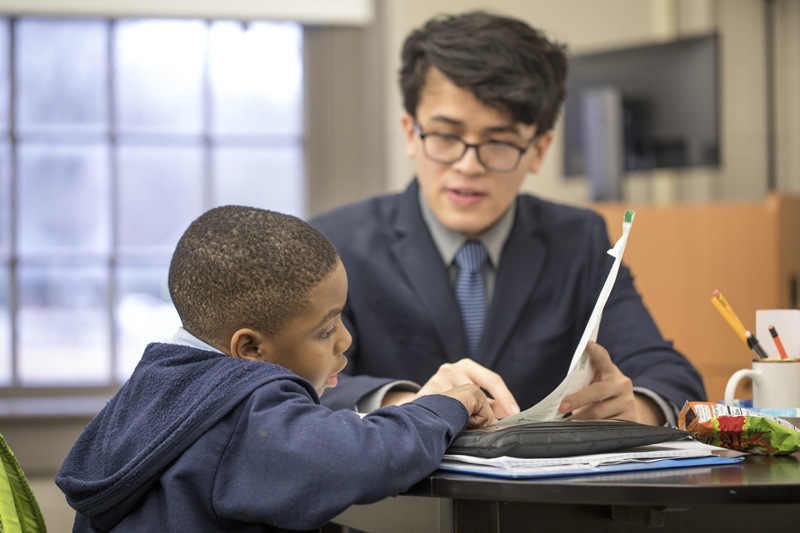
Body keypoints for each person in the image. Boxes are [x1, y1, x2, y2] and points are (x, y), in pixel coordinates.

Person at [310, 11, 706, 427]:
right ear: (411, 132)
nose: (468, 165)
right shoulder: (337, 244)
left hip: (545, 491)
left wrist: (633, 407)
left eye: (498, 142)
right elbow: (299, 384)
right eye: (446, 136)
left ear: (538, 149)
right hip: (406, 492)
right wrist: (409, 401)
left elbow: (671, 376)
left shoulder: (578, 241)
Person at [56, 206, 494, 533]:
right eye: (325, 331)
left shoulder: (156, 385)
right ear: (250, 348)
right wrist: (443, 406)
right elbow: (358, 458)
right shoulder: (242, 412)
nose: (346, 340)